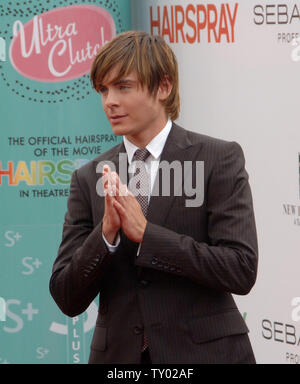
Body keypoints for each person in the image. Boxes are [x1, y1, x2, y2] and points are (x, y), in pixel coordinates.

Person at [49, 31, 258, 364]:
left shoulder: (218, 159)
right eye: (103, 90)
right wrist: (105, 235)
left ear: (164, 87)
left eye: (123, 87)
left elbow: (240, 268)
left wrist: (148, 236)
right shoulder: (89, 177)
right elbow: (66, 295)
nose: (109, 101)